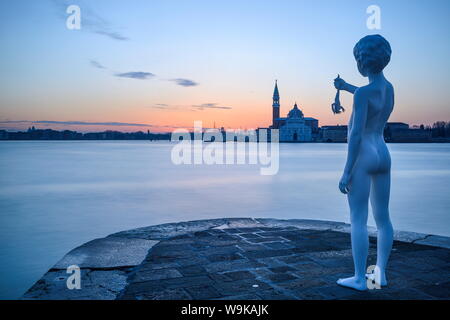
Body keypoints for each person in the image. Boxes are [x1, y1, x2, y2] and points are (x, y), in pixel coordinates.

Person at [334, 34, 394, 291]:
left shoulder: (363, 94)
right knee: (383, 219)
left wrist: (346, 172)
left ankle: (360, 278)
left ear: (361, 61)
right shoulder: (389, 88)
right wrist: (345, 87)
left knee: (358, 218)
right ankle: (379, 274)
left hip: (363, 156)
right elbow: (367, 94)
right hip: (383, 153)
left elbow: (356, 135)